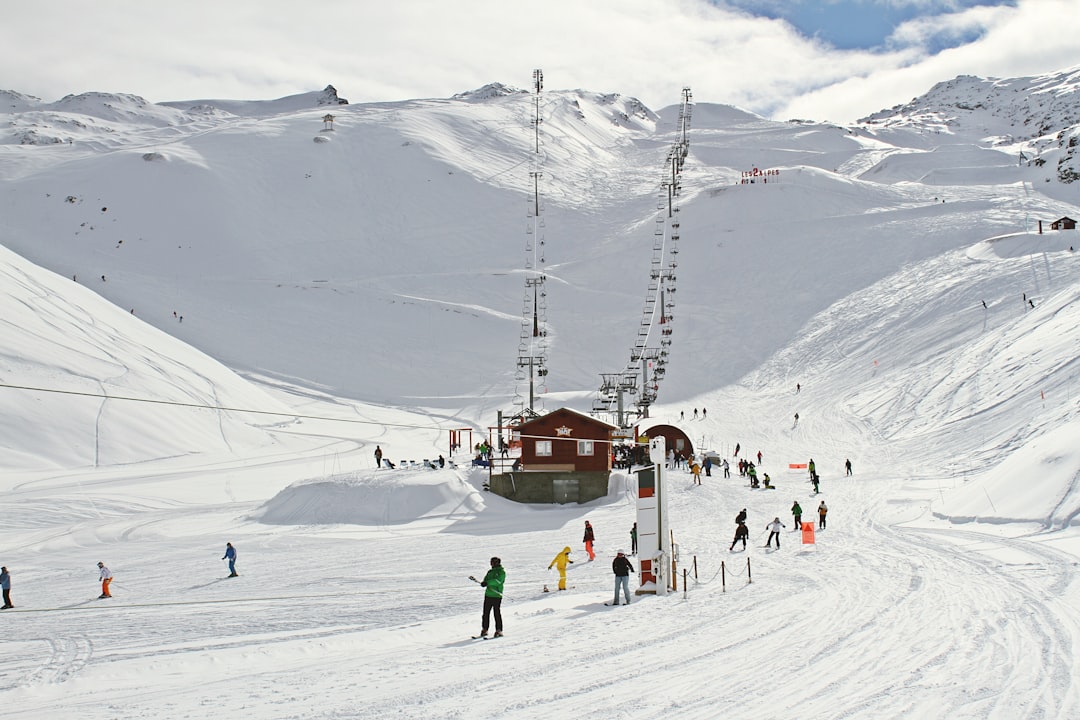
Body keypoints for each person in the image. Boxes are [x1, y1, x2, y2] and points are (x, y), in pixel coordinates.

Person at [475, 556, 505, 638]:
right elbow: (486, 579)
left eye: (493, 562)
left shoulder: (501, 572)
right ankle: (485, 629)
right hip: (488, 595)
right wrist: (484, 583)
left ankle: (499, 630)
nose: (491, 564)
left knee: (496, 613)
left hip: (496, 595)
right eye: (491, 562)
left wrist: (487, 583)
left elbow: (498, 581)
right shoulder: (490, 572)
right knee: (485, 613)